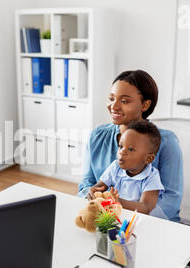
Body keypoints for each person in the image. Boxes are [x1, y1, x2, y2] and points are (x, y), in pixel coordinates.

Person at [78, 70, 183, 222]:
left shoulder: (167, 142)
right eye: (111, 98)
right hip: (104, 219)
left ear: (145, 105)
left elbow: (171, 200)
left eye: (125, 101)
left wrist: (122, 215)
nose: (114, 106)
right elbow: (86, 185)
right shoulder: (97, 136)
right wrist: (93, 197)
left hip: (149, 224)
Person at [89, 120, 164, 214]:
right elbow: (100, 186)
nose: (122, 152)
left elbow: (146, 207)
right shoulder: (115, 167)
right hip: (119, 214)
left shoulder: (152, 176)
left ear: (148, 159)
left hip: (143, 219)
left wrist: (118, 202)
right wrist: (94, 191)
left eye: (131, 149)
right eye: (120, 146)